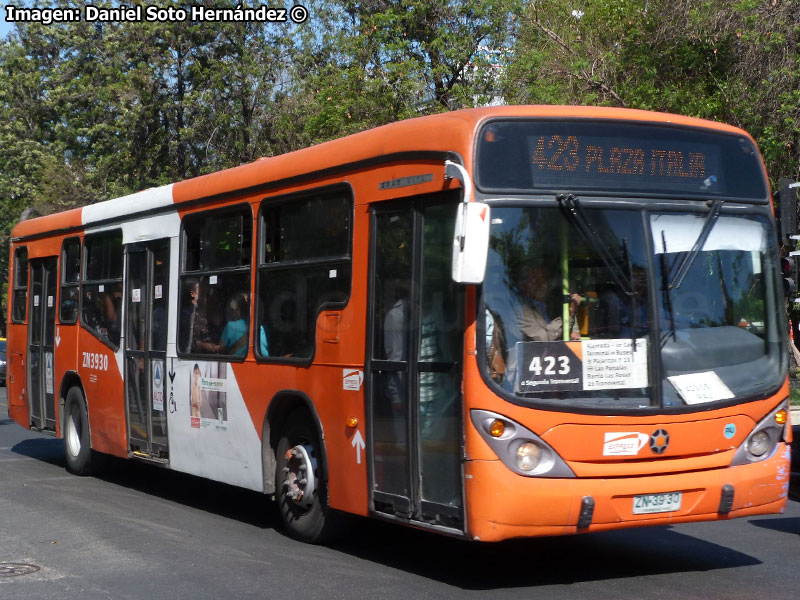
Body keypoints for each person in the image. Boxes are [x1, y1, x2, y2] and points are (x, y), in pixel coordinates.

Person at [517, 264, 581, 342]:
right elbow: (544, 340)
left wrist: (569, 332)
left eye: (544, 280)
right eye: (535, 279)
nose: (541, 284)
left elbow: (557, 333)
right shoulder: (521, 310)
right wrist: (569, 313)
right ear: (523, 284)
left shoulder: (548, 306)